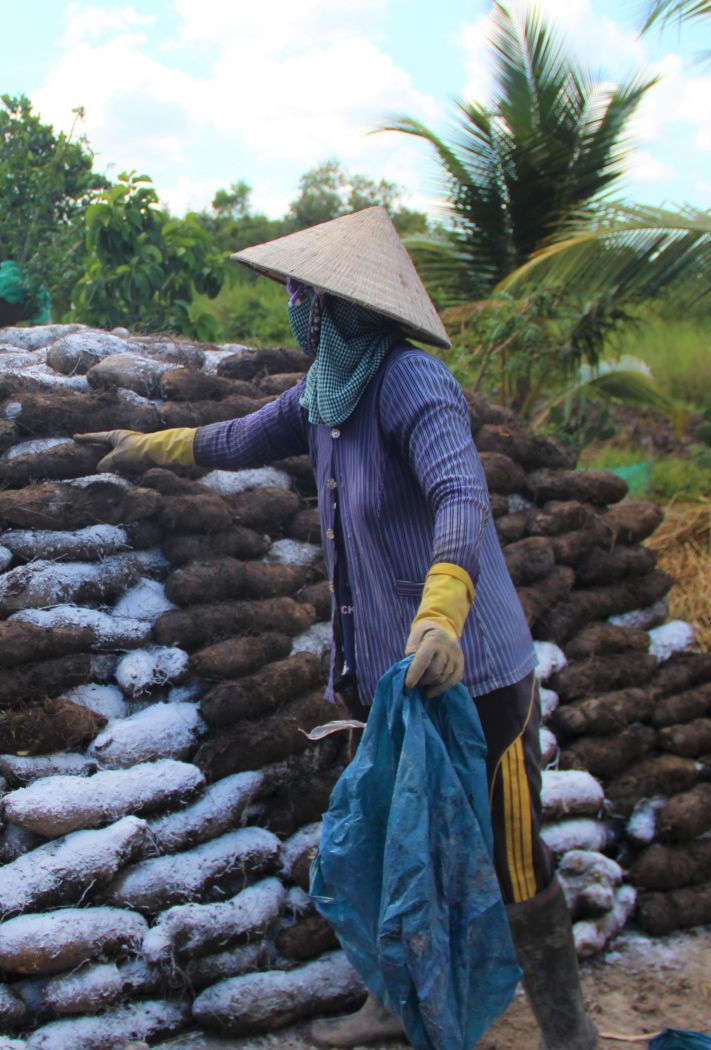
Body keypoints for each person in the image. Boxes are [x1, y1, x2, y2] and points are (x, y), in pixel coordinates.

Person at [77, 207, 598, 1050]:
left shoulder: (412, 384)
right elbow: (240, 437)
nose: (290, 303)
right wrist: (149, 447)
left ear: (333, 307)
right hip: (377, 673)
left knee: (513, 860)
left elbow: (460, 498)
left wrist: (441, 617)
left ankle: (569, 1033)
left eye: (299, 292)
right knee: (384, 840)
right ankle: (391, 1004)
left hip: (473, 672)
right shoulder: (325, 393)